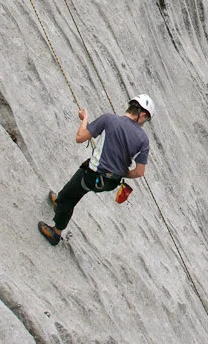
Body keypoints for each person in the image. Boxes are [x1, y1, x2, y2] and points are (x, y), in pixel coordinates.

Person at [38, 94, 153, 245]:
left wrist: (84, 118)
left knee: (69, 198)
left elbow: (80, 137)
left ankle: (56, 233)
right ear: (142, 114)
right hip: (111, 182)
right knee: (74, 188)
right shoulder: (143, 140)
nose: (145, 122)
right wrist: (122, 173)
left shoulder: (109, 119)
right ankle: (60, 203)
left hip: (92, 175)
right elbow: (139, 172)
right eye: (147, 119)